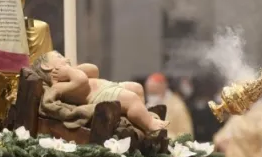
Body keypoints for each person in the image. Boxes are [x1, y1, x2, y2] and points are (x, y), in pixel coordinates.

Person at [32, 51, 168, 133]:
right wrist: (69, 71)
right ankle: (149, 124)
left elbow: (94, 70)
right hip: (100, 96)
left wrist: (72, 68)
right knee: (131, 98)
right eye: (59, 56)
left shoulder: (72, 73)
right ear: (47, 66)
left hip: (108, 86)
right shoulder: (58, 86)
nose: (64, 58)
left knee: (137, 88)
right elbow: (81, 81)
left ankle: (139, 118)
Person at [145, 72, 194, 138]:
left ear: (163, 87)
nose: (151, 96)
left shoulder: (177, 106)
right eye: (150, 92)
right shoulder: (148, 105)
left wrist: (166, 136)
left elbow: (186, 134)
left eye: (154, 92)